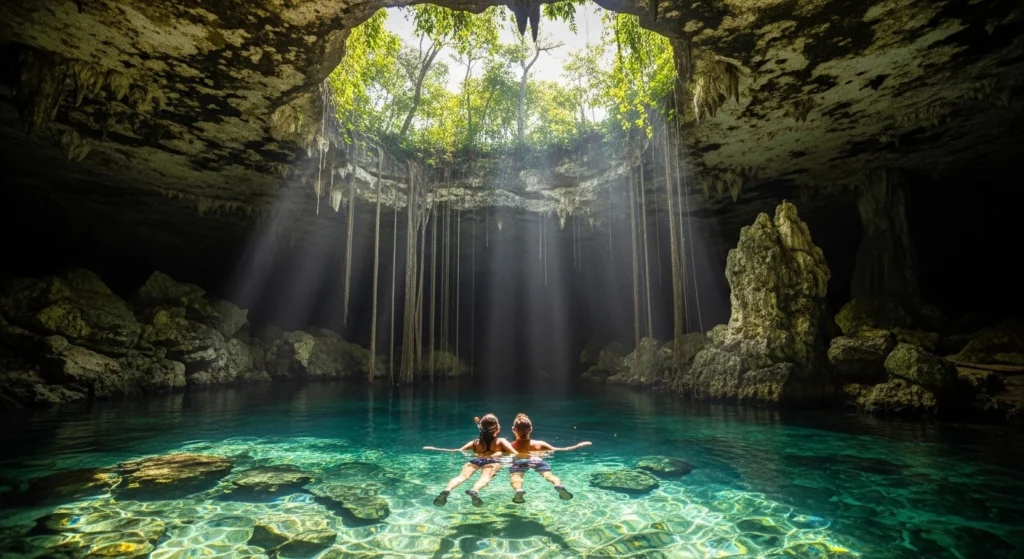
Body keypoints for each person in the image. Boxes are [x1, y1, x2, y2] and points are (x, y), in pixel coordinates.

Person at [423, 413, 516, 506]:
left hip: (476, 460)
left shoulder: (475, 443)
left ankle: (447, 489)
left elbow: (457, 451)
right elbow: (515, 454)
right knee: (485, 477)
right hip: (493, 462)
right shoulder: (501, 442)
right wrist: (501, 453)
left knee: (462, 476)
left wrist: (435, 448)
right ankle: (474, 490)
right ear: (497, 429)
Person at [508, 413, 591, 503]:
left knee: (516, 476)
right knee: (548, 475)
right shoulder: (540, 444)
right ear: (531, 429)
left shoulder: (510, 446)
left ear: (513, 429)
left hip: (519, 461)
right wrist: (579, 445)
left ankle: (518, 489)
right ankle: (557, 484)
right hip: (536, 460)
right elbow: (562, 450)